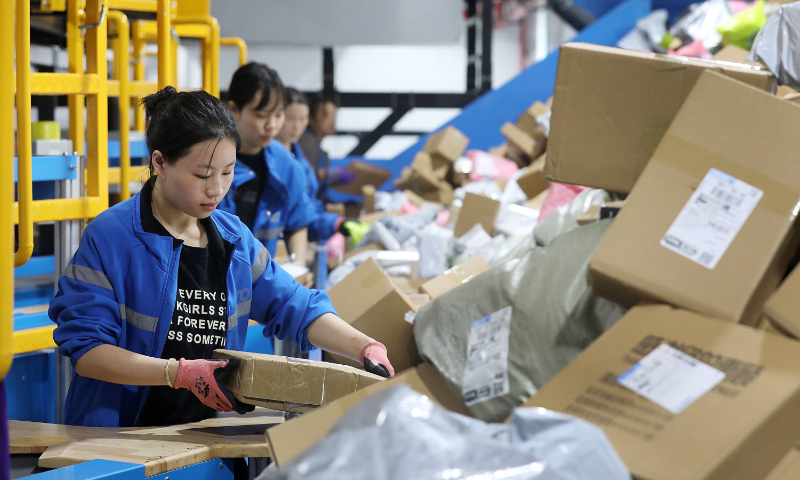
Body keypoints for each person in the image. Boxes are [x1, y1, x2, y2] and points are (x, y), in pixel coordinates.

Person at [48, 87, 395, 428]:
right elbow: (88, 351)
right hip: (118, 437)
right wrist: (178, 373)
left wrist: (364, 346)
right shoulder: (112, 237)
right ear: (160, 163)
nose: (216, 189)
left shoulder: (233, 239)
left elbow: (296, 306)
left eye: (228, 172)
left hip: (201, 435)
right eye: (202, 175)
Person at [219, 63, 316, 273]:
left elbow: (297, 223)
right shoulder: (210, 159)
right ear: (233, 110)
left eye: (279, 115)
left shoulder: (286, 165)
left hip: (258, 281)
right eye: (261, 116)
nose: (272, 125)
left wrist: (298, 266)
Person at [276, 88, 356, 243]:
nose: (297, 126)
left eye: (302, 119)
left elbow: (306, 207)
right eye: (291, 118)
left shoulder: (299, 158)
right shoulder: (306, 144)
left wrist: (335, 222)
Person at [298, 94, 354, 201]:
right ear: (310, 118)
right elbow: (303, 178)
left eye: (334, 115)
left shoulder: (316, 144)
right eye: (326, 115)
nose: (332, 120)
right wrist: (325, 174)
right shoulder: (307, 141)